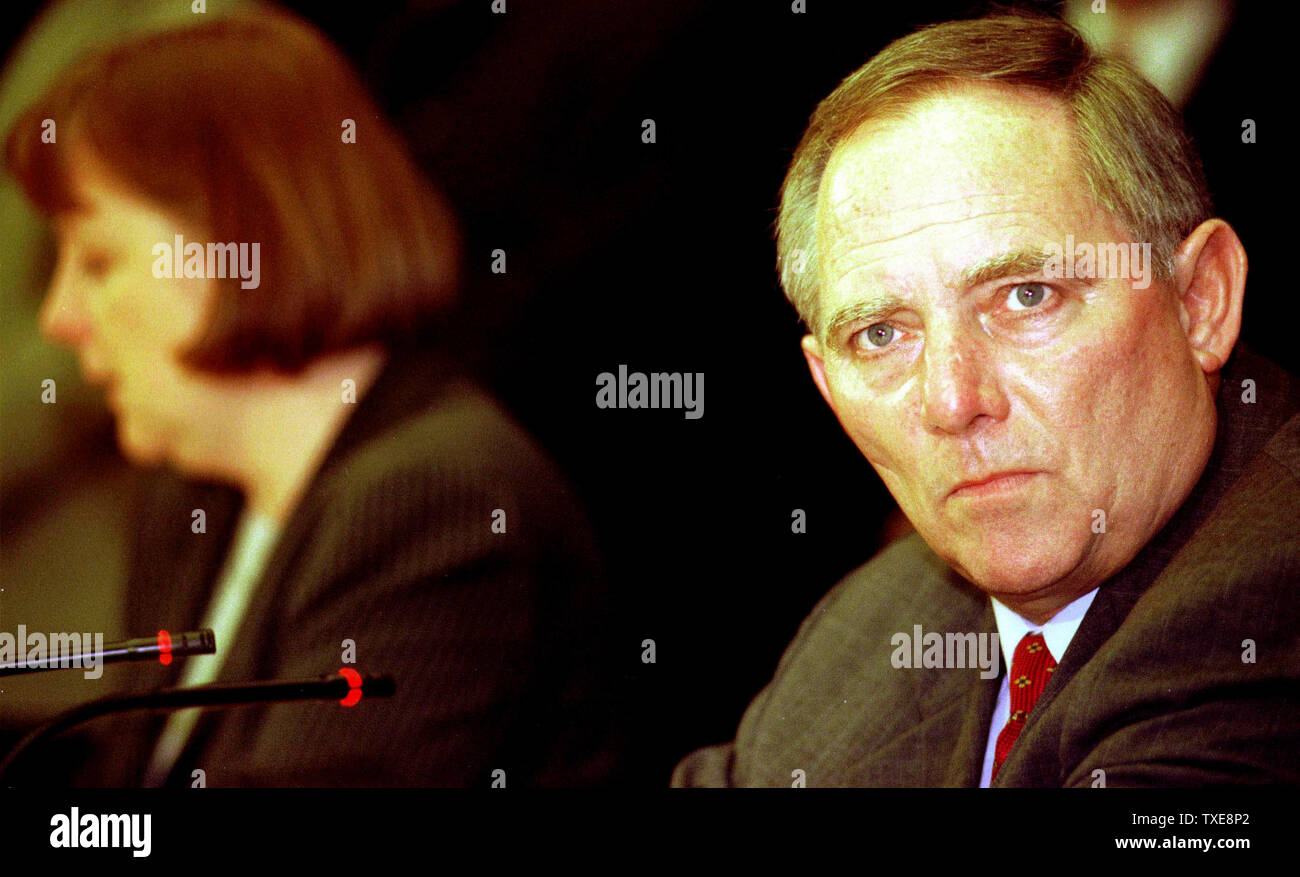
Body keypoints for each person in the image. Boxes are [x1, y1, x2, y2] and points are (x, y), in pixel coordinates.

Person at [673, 11, 1299, 787]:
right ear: (826, 387)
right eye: (879, 335)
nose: (951, 398)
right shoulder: (866, 630)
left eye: (1026, 296)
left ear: (1200, 299)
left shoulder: (1269, 609)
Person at [4, 7, 617, 786]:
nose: (59, 317)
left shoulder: (440, 504)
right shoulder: (191, 495)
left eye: (96, 260)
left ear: (244, 240)